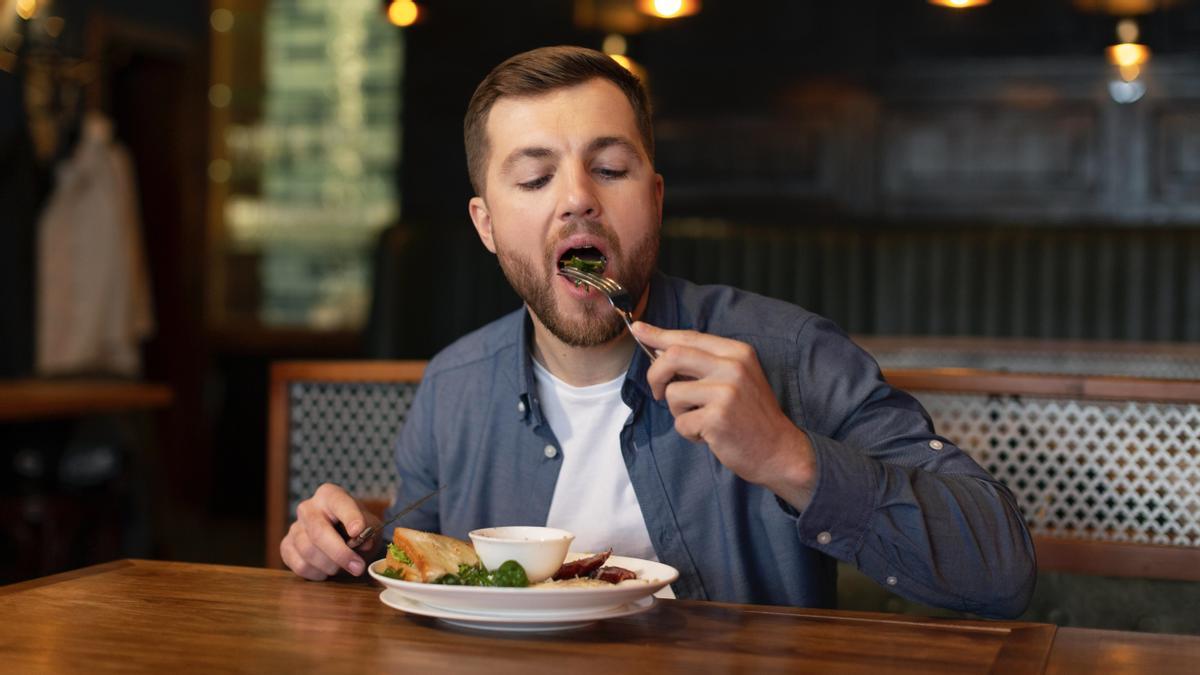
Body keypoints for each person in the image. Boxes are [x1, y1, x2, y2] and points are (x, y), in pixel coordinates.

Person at [281, 45, 1036, 617]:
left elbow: (1001, 566)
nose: (577, 199)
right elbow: (423, 581)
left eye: (610, 168)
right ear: (486, 223)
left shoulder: (791, 354)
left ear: (656, 195)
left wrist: (788, 456)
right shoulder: (452, 388)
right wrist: (350, 549)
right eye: (536, 178)